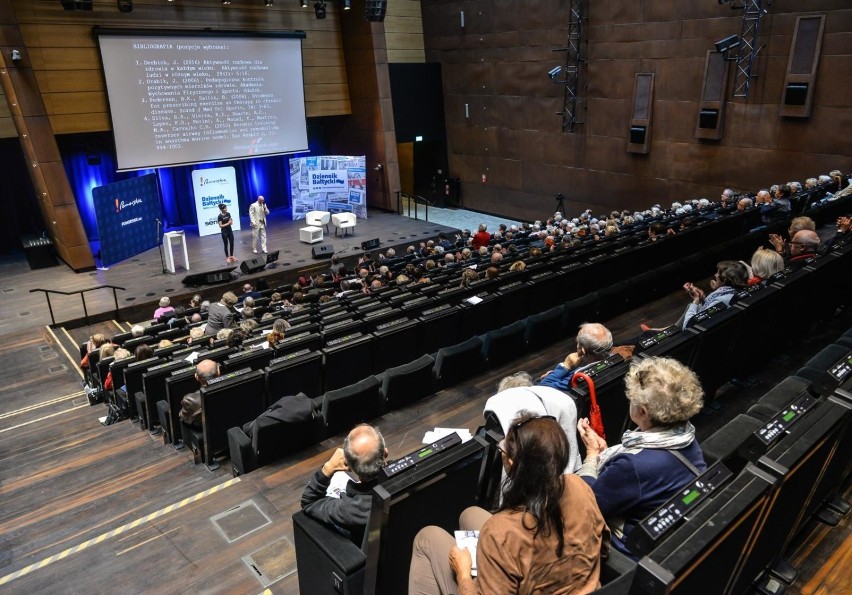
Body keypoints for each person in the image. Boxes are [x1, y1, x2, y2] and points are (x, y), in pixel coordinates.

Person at [409, 413, 608, 594]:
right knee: (470, 514)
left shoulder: (501, 531)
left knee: (427, 537)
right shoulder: (578, 485)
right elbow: (604, 547)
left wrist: (463, 574)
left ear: (512, 463)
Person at [577, 356, 706, 557]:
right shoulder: (687, 438)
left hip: (626, 554)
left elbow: (585, 508)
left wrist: (592, 456)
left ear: (643, 411)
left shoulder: (634, 465)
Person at [300, 424, 387, 544]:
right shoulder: (407, 474)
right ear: (385, 453)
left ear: (348, 465)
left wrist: (329, 467)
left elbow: (309, 502)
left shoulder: (353, 508)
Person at [537, 323, 613, 392]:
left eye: (578, 342)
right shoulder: (615, 360)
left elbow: (542, 387)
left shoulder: (577, 378)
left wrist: (565, 367)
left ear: (583, 350)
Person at [679, 260, 749, 329]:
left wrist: (695, 302)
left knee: (692, 306)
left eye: (718, 273)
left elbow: (688, 326)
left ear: (724, 280)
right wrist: (703, 298)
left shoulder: (721, 301)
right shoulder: (738, 292)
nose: (715, 275)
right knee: (691, 306)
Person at [178, 359, 220, 429]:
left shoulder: (189, 400)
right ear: (218, 372)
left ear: (196, 377)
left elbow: (182, 416)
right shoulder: (233, 387)